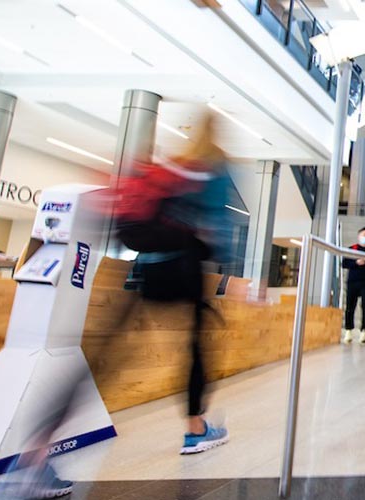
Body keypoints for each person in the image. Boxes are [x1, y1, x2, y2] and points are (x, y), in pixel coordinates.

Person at [123, 113, 235, 455]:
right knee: (197, 351)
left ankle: (39, 446)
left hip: (150, 271)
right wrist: (226, 272)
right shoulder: (215, 168)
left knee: (117, 353)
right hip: (186, 270)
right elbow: (217, 224)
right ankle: (195, 428)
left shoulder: (175, 164)